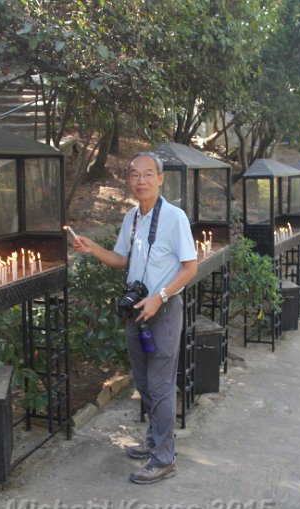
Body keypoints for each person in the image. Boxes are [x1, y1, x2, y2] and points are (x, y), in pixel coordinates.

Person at [72, 152, 197, 484]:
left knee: (160, 385)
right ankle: (155, 442)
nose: (140, 181)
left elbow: (190, 268)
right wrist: (92, 248)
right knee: (144, 384)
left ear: (160, 178)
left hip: (164, 310)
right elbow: (121, 259)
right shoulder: (132, 217)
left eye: (147, 174)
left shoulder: (174, 217)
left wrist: (160, 297)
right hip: (136, 310)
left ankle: (165, 458)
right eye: (133, 175)